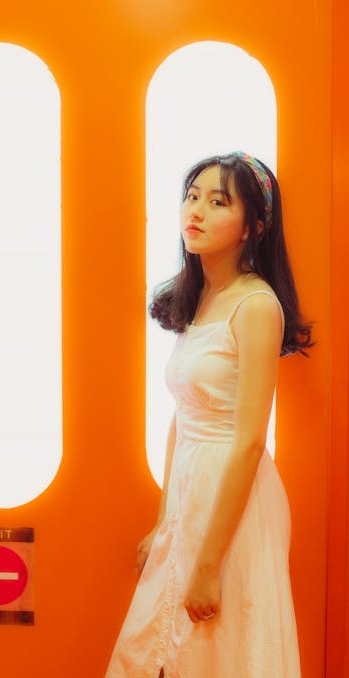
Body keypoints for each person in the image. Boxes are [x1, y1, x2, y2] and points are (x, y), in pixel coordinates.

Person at [105, 152, 313, 677]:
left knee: (222, 650)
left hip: (233, 502)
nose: (195, 210)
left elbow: (248, 441)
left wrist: (206, 565)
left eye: (219, 201)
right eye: (192, 195)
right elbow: (183, 415)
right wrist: (163, 524)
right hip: (188, 495)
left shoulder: (256, 306)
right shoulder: (200, 300)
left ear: (254, 227)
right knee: (162, 649)